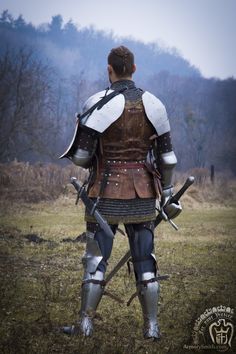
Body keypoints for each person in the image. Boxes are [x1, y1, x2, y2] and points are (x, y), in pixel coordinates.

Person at [60, 45, 179, 340]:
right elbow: (167, 159)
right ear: (134, 70)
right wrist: (167, 192)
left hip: (104, 192)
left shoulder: (97, 104)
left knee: (94, 260)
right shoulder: (155, 105)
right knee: (145, 259)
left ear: (109, 70)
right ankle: (151, 327)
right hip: (142, 194)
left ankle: (85, 325)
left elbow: (80, 158)